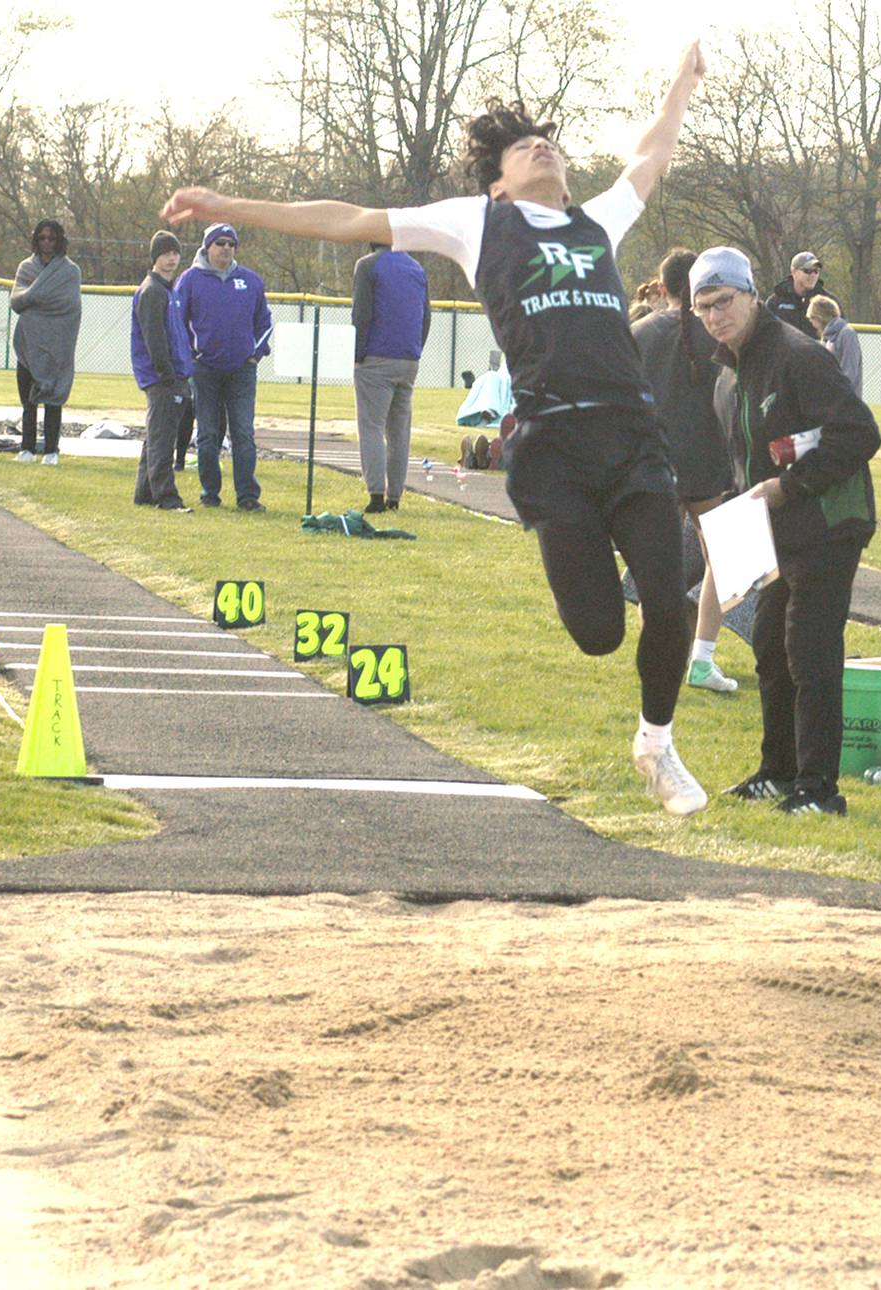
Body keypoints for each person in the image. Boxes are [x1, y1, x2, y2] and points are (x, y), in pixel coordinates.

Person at [161, 41, 711, 817]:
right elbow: (347, 220)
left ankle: (655, 744)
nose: (542, 147)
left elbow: (652, 153)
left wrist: (680, 85)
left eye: (546, 139)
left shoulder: (598, 221)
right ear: (498, 179)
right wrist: (228, 208)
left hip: (632, 436)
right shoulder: (475, 223)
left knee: (670, 593)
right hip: (554, 451)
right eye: (524, 147)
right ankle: (633, 696)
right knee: (599, 635)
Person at [693, 246, 881, 817]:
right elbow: (749, 458)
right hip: (777, 529)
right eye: (703, 308)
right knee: (771, 644)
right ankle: (777, 771)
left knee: (810, 648)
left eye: (723, 301)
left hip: (828, 521)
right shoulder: (732, 369)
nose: (714, 316)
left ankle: (820, 788)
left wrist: (788, 487)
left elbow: (860, 434)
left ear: (751, 294)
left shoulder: (799, 356)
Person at [631, 246, 740, 695]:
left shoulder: (638, 331)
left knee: (655, 564)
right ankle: (701, 657)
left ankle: (657, 653)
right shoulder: (717, 331)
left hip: (653, 462)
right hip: (707, 459)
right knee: (723, 557)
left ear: (663, 288)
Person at [176, 223, 272, 511]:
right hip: (205, 370)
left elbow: (264, 323)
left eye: (231, 244)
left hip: (242, 369)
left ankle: (247, 496)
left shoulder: (250, 281)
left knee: (243, 432)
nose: (226, 249)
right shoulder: (190, 280)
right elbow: (177, 323)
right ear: (207, 247)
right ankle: (210, 494)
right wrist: (190, 356)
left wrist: (255, 353)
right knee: (207, 434)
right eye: (220, 243)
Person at [352, 244, 431, 513]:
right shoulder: (416, 268)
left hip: (376, 357)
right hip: (408, 359)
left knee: (371, 426)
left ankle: (376, 494)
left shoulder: (367, 265)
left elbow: (361, 314)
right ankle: (395, 496)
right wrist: (416, 350)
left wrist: (357, 353)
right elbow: (426, 316)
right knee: (399, 431)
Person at [129, 231, 193, 511]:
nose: (171, 259)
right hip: (162, 379)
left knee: (156, 436)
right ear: (155, 257)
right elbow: (155, 340)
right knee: (163, 440)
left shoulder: (169, 291)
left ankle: (145, 492)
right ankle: (167, 498)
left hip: (174, 374)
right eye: (166, 253)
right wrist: (167, 376)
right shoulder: (152, 291)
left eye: (175, 253)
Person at [10, 219, 82, 465]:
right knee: (28, 400)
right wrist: (35, 296)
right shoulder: (25, 268)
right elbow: (17, 302)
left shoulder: (70, 271)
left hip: (57, 346)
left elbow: (69, 305)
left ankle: (51, 450)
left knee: (53, 397)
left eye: (52, 238)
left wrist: (34, 300)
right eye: (42, 238)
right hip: (29, 343)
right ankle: (27, 448)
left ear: (59, 240)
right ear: (35, 239)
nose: (47, 243)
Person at [765, 252, 840, 340]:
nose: (813, 275)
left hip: (816, 352)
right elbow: (764, 334)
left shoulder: (827, 302)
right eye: (807, 271)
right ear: (794, 272)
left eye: (816, 271)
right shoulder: (776, 302)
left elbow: (840, 337)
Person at [805, 294, 862, 398]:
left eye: (812, 319)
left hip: (846, 404)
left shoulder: (847, 334)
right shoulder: (827, 338)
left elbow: (849, 373)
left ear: (819, 317)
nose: (812, 324)